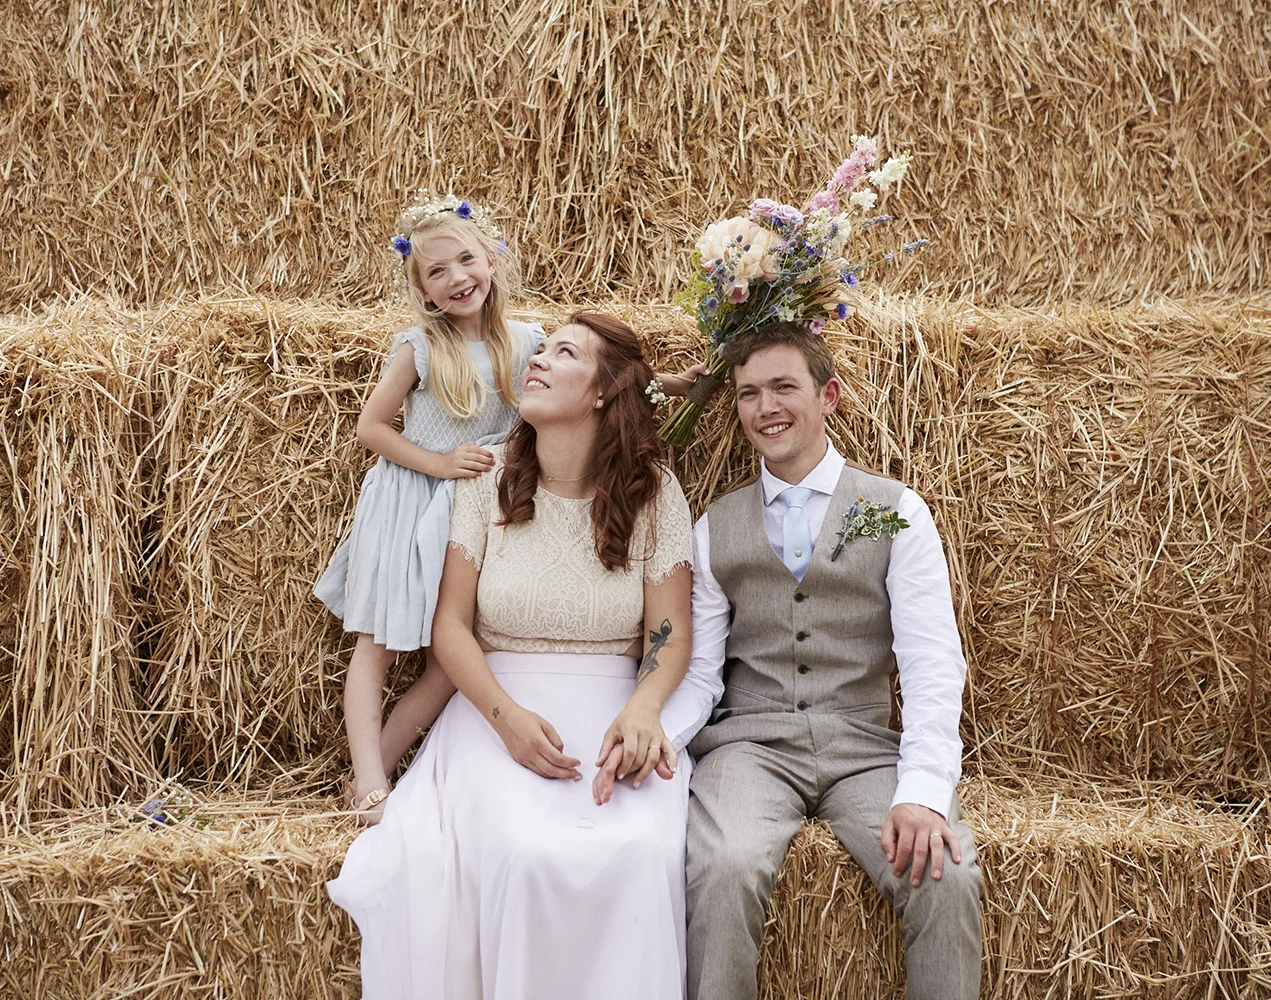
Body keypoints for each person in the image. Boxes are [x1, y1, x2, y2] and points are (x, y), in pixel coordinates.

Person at [327, 312, 707, 1000]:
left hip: (611, 715)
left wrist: (645, 709)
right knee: (523, 854)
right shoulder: (485, 476)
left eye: (563, 353)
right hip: (492, 708)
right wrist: (505, 719)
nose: (536, 361)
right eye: (541, 349)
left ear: (601, 393)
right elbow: (449, 626)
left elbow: (670, 632)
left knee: (644, 853)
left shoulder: (655, 492)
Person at [315, 200, 701, 824]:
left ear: (492, 261)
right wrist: (439, 464)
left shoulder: (525, 342)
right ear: (422, 291)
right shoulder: (419, 347)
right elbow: (370, 427)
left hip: (483, 493)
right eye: (436, 271)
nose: (456, 277)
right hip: (423, 500)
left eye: (467, 259)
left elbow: (605, 378)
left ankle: (379, 769)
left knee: (445, 664)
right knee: (379, 642)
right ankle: (365, 784)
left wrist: (672, 385)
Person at [663, 320, 984, 1000]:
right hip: (750, 746)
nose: (765, 407)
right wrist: (659, 740)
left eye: (784, 387)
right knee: (724, 865)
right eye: (749, 393)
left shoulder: (884, 511)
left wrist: (924, 792)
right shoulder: (716, 524)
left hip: (864, 748)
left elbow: (932, 659)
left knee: (946, 874)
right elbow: (699, 672)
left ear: (828, 395)